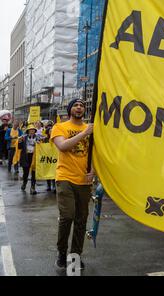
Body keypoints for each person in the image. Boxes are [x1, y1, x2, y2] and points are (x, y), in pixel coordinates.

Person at [51, 98, 94, 270]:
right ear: (70, 110)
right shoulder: (59, 127)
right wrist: (84, 133)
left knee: (81, 220)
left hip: (84, 180)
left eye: (82, 106)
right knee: (67, 216)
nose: (79, 108)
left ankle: (75, 255)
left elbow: (95, 153)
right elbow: (63, 146)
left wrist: (93, 171)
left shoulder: (90, 129)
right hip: (65, 178)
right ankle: (62, 252)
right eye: (76, 105)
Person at [19, 124, 39, 195]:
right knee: (26, 173)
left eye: (33, 130)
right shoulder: (23, 138)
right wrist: (20, 141)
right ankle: (24, 183)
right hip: (26, 157)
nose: (32, 131)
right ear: (28, 131)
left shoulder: (38, 137)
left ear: (35, 131)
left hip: (34, 156)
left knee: (34, 173)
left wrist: (40, 143)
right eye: (30, 130)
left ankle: (32, 188)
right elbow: (19, 147)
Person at [42, 121, 56, 193]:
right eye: (49, 130)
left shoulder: (55, 138)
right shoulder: (45, 139)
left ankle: (54, 185)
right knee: (47, 171)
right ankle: (48, 185)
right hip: (47, 157)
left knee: (53, 171)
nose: (51, 131)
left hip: (53, 157)